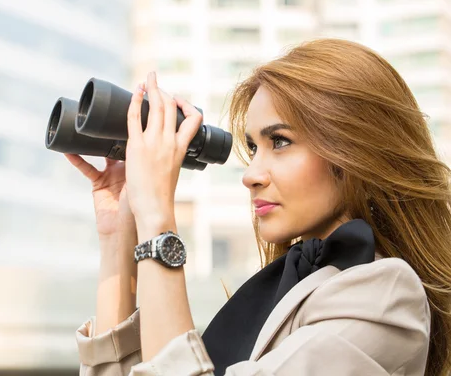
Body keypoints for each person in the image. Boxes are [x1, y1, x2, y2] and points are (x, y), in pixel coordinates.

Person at [64, 39, 451, 375]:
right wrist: (119, 234)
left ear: (353, 152)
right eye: (252, 148)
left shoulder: (383, 294)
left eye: (279, 142)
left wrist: (159, 221)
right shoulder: (286, 291)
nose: (250, 175)